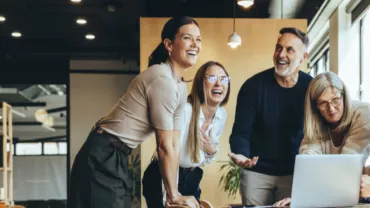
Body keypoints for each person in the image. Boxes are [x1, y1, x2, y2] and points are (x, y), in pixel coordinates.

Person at [68, 16, 202, 208]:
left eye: (198, 40)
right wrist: (173, 196)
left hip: (117, 155)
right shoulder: (162, 78)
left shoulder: (179, 87)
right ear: (169, 45)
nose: (195, 45)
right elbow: (163, 145)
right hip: (102, 155)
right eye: (188, 38)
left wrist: (174, 194)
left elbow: (173, 144)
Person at [229, 27, 313, 206]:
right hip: (257, 173)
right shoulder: (252, 87)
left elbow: (320, 133)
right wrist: (242, 154)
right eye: (278, 48)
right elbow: (241, 132)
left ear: (303, 58)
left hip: (294, 172)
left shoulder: (312, 88)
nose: (281, 54)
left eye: (289, 50)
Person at [273, 71, 370, 207]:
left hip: (361, 189)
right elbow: (309, 163)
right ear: (315, 107)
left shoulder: (364, 114)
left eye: (335, 100)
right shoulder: (315, 124)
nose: (331, 109)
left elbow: (347, 164)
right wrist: (300, 198)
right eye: (323, 103)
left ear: (344, 96)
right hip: (339, 191)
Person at [142, 61, 231, 207]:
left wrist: (211, 150)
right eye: (212, 78)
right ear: (200, 83)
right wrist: (170, 196)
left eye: (224, 79)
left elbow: (203, 160)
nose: (218, 84)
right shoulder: (186, 111)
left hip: (192, 177)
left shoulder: (221, 114)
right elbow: (170, 155)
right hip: (163, 175)